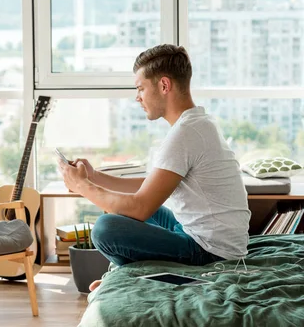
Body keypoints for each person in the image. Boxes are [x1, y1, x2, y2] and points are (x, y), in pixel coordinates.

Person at [58, 44, 250, 291]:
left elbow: (140, 208)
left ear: (164, 85)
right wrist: (94, 177)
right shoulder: (194, 124)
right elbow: (149, 186)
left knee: (105, 229)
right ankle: (129, 274)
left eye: (140, 88)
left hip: (210, 252)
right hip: (196, 231)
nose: (137, 97)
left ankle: (129, 277)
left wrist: (82, 186)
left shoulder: (185, 133)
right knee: (119, 211)